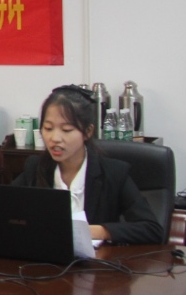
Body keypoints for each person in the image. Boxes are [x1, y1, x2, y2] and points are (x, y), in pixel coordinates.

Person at [13, 86, 164, 244]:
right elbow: (4, 213)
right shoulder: (35, 167)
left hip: (96, 258)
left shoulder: (113, 173)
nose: (55, 138)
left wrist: (98, 231)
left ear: (87, 132)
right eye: (48, 128)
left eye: (66, 130)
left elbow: (152, 230)